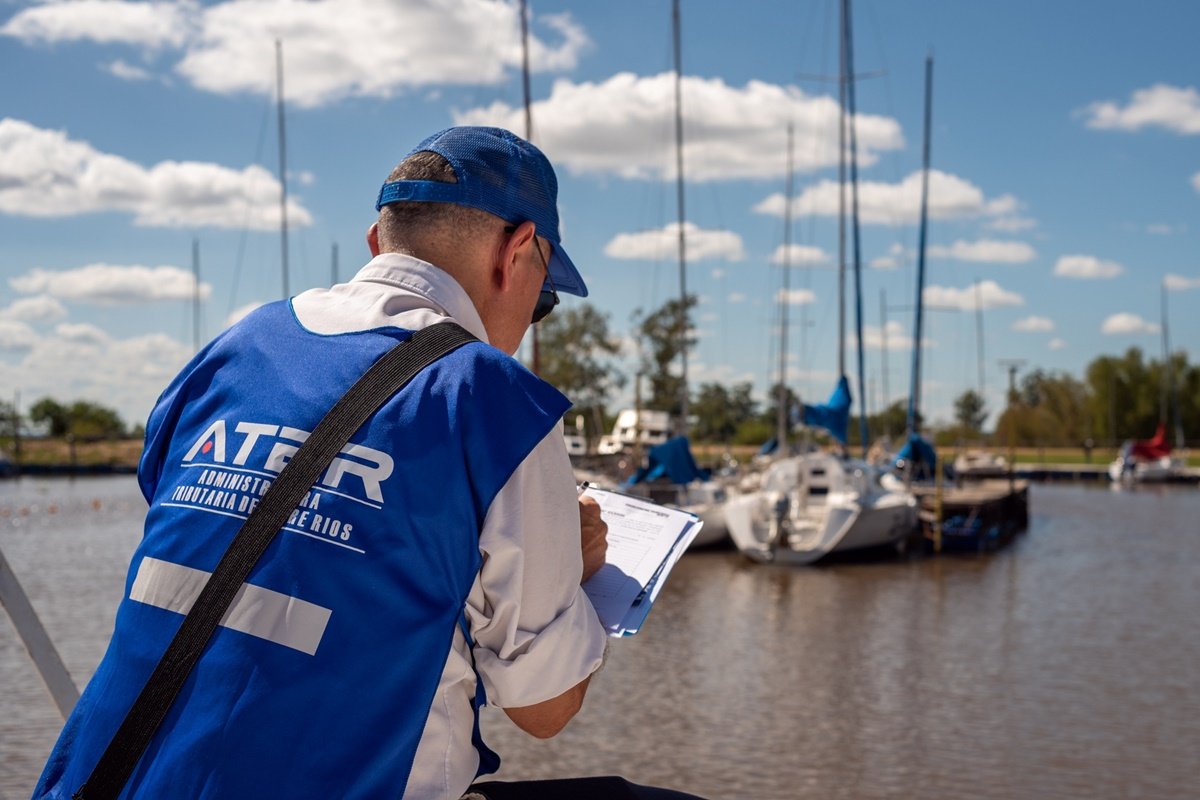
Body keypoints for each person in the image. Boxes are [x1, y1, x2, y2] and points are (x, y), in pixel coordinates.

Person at [33, 127, 624, 799]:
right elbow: (544, 711)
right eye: (543, 298)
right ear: (517, 253)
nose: (529, 320)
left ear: (377, 243)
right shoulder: (494, 402)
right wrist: (575, 571)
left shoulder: (230, 351)